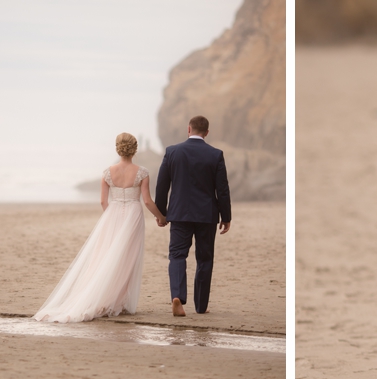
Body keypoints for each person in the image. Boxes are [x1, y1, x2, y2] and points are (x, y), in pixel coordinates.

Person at [34, 133, 166, 323]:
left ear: (117, 148)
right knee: (127, 259)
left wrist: (111, 217)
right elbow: (146, 200)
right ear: (134, 149)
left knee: (105, 257)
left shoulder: (107, 173)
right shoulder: (142, 172)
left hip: (112, 216)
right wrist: (161, 216)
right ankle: (117, 302)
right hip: (133, 215)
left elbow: (103, 201)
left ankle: (108, 299)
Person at [155, 115, 232, 317]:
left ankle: (178, 297)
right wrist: (226, 216)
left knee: (177, 255)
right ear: (207, 132)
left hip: (179, 213)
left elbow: (162, 186)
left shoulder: (172, 152)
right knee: (205, 258)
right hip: (206, 215)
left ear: (188, 129)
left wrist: (161, 213)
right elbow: (222, 189)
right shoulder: (215, 155)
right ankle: (201, 305)